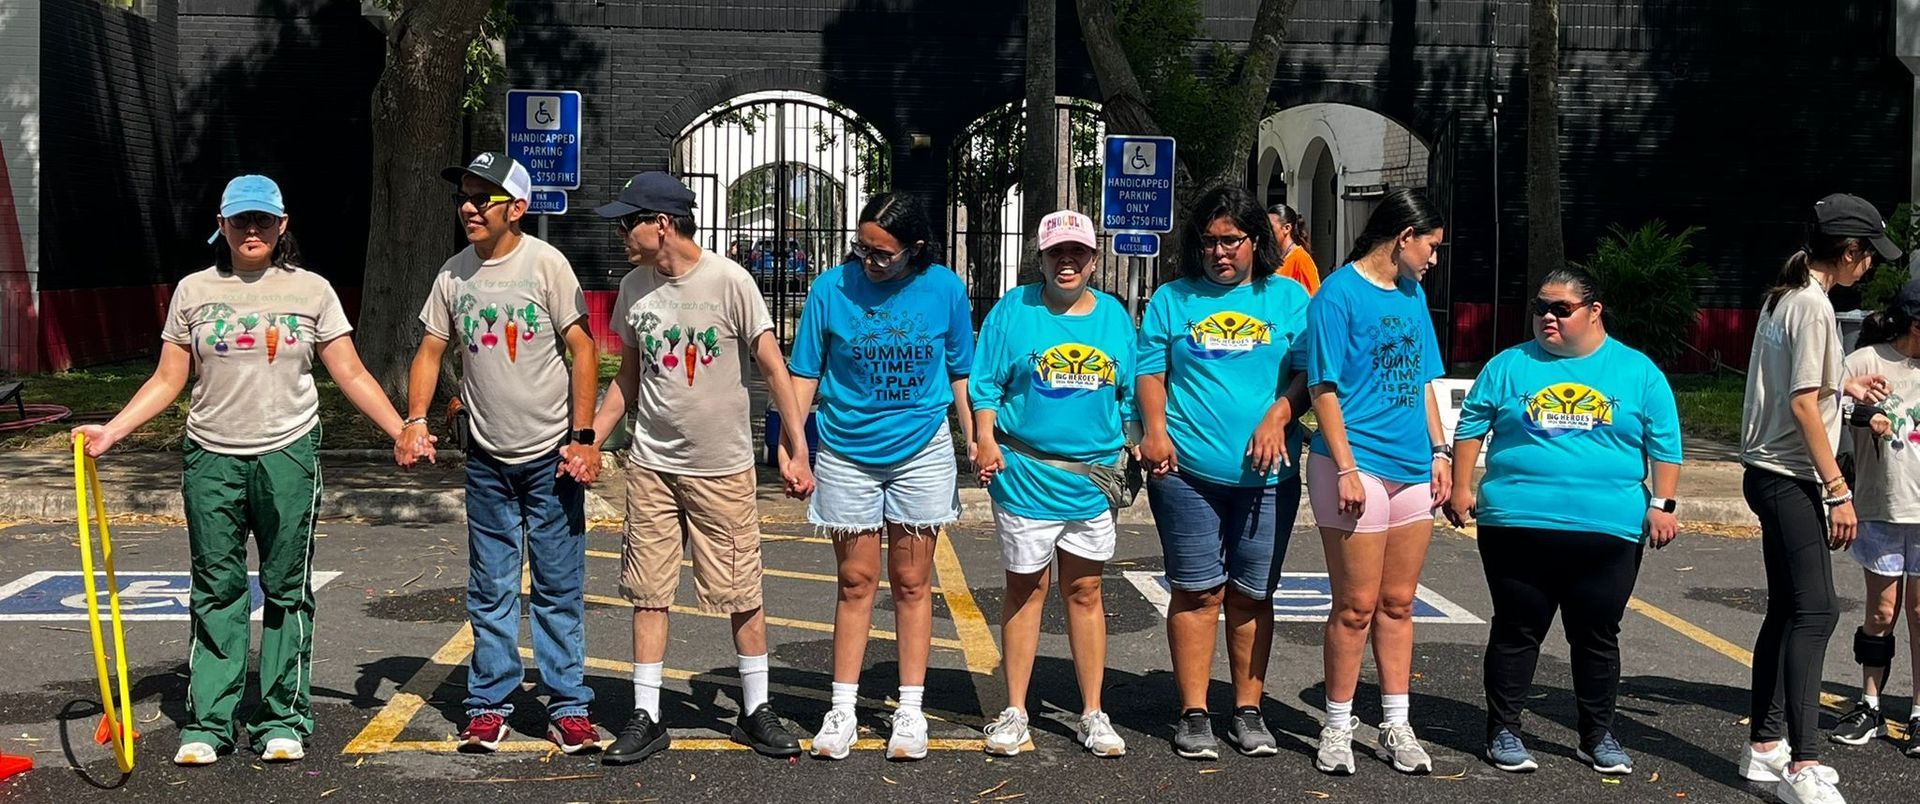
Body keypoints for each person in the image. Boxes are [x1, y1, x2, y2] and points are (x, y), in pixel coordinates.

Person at [72, 175, 414, 766]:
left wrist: (401, 427)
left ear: (283, 226)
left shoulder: (312, 291)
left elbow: (351, 373)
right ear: (222, 225)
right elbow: (168, 379)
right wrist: (113, 430)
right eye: (240, 221)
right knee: (216, 589)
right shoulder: (193, 291)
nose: (251, 231)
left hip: (288, 453)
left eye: (262, 220)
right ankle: (209, 722)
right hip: (211, 455)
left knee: (286, 589)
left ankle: (282, 717)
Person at [586, 172, 815, 764]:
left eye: (626, 222)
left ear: (660, 224)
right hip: (653, 465)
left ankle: (756, 709)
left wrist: (797, 449)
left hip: (722, 468)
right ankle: (646, 715)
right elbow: (629, 378)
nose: (620, 234)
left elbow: (772, 366)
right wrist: (588, 438)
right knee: (648, 589)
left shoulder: (728, 280)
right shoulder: (636, 288)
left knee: (741, 589)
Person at [399, 153, 603, 754]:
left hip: (551, 459)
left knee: (558, 588)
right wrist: (414, 420)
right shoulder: (453, 274)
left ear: (516, 208)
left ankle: (568, 706)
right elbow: (431, 351)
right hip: (488, 460)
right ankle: (488, 705)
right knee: (489, 589)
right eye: (464, 196)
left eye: (481, 197)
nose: (468, 206)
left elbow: (584, 350)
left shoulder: (546, 264)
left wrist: (584, 438)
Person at [1443, 267, 1682, 776]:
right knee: (1517, 629)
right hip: (1518, 521)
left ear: (1594, 312)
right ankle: (1503, 731)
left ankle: (1597, 736)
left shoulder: (1637, 372)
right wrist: (1463, 486)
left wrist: (1663, 504)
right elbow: (1472, 425)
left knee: (1597, 634)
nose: (1547, 317)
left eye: (1561, 309)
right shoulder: (1509, 365)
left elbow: (1665, 443)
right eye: (1540, 307)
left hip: (1608, 528)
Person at [789, 192, 974, 761]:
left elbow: (961, 371)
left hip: (921, 450)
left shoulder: (943, 287)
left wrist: (976, 438)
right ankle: (842, 708)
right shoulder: (830, 288)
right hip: (846, 450)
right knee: (856, 582)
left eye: (882, 254)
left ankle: (910, 711)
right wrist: (795, 446)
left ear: (915, 249)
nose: (869, 261)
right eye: (862, 249)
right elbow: (804, 371)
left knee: (914, 584)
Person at [1737, 193, 1900, 804]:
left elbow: (1806, 390)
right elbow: (1803, 405)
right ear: (1850, 252)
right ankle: (1802, 764)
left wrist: (1844, 387)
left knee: (1789, 609)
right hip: (1790, 476)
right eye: (1869, 256)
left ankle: (1766, 748)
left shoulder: (1787, 295)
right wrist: (1838, 490)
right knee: (1817, 612)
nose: (1871, 268)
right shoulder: (1809, 304)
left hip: (1771, 471)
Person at [1137, 186, 1310, 761]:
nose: (1219, 252)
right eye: (1208, 242)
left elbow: (1311, 376)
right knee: (1197, 590)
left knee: (1252, 594)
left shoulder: (1287, 299)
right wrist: (1154, 430)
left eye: (1231, 240)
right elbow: (1150, 371)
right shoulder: (1172, 299)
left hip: (1269, 475)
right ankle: (1193, 711)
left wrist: (1279, 415)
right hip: (1187, 472)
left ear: (1255, 240)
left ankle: (1248, 709)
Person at [971, 210, 1136, 758]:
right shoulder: (1012, 311)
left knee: (1085, 591)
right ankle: (1015, 710)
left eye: (1078, 253)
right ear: (1040, 257)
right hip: (1025, 476)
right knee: (1025, 588)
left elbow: (1129, 394)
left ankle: (1093, 711)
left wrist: (1136, 442)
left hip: (1090, 481)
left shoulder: (1114, 316)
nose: (1067, 262)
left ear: (1093, 258)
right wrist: (985, 439)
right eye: (1055, 253)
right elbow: (985, 386)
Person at [1304, 187, 1449, 776]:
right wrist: (1345, 467)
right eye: (1431, 248)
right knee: (1356, 606)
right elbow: (1324, 389)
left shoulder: (1412, 295)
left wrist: (1440, 451)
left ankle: (1396, 722)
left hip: (1413, 466)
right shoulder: (1338, 294)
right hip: (1353, 465)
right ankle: (1337, 727)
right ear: (1403, 237)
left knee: (1398, 603)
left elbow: (1421, 384)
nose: (1434, 260)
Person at [1831, 280, 1920, 756]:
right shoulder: (1867, 359)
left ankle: (1919, 713)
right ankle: (1869, 703)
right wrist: (1867, 417)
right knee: (1881, 613)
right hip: (1881, 505)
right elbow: (1831, 405)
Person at [1268, 203, 1320, 296]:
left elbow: (1312, 298)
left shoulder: (1301, 259)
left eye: (1271, 227)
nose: (1267, 231)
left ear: (1287, 228)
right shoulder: (1272, 256)